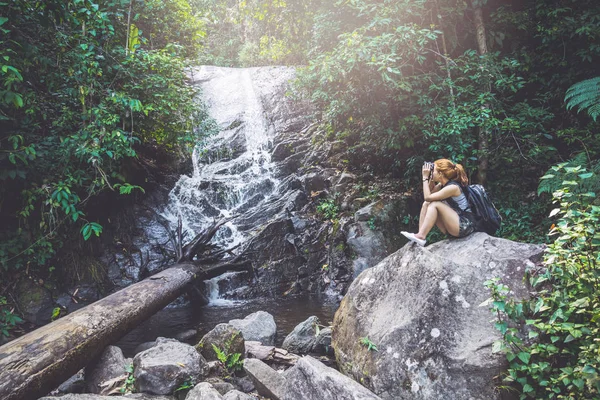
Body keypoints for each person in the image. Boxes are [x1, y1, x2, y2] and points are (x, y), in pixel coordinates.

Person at [401, 159, 475, 246]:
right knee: (427, 204)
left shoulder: (453, 187)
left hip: (464, 225)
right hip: (454, 225)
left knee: (435, 204)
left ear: (440, 174)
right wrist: (431, 179)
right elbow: (429, 195)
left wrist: (424, 178)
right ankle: (420, 236)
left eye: (434, 170)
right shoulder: (442, 185)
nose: (432, 171)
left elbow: (428, 197)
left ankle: (421, 236)